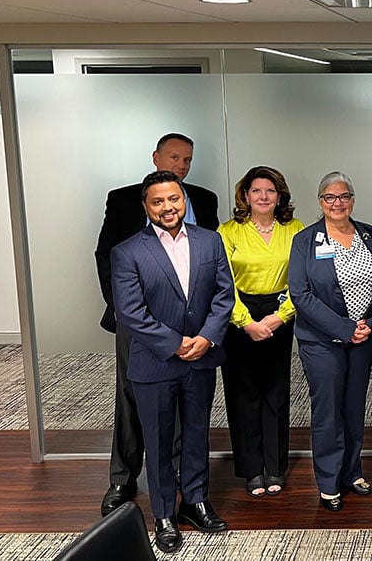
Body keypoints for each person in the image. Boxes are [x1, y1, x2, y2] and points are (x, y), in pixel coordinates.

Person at [94, 132, 219, 517]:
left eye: (187, 160)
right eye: (174, 157)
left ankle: (187, 484)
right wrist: (120, 308)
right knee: (133, 402)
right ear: (155, 157)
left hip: (196, 329)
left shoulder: (206, 199)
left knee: (189, 408)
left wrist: (204, 333)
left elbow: (212, 269)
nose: (180, 166)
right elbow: (106, 254)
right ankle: (123, 477)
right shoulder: (124, 198)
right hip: (141, 325)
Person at [111, 170, 234, 553]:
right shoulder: (127, 251)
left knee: (197, 434)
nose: (168, 207)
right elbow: (130, 313)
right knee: (160, 442)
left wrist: (206, 337)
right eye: (158, 201)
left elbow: (223, 295)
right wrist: (176, 343)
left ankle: (195, 502)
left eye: (174, 199)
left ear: (184, 200)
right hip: (155, 362)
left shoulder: (210, 241)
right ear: (147, 206)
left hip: (201, 356)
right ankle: (164, 514)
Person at [288, 172, 372, 513]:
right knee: (328, 410)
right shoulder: (306, 240)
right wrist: (345, 328)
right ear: (320, 202)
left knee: (353, 406)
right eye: (330, 197)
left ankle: (352, 472)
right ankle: (329, 482)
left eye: (344, 196)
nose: (337, 203)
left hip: (362, 338)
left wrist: (369, 325)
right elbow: (301, 295)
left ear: (352, 200)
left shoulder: (367, 233)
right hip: (321, 340)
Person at [218, 166, 305, 498]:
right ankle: (252, 469)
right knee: (244, 394)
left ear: (280, 195)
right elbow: (222, 282)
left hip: (280, 314)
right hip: (239, 316)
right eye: (257, 191)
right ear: (245, 196)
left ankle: (276, 467)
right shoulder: (228, 231)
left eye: (271, 191)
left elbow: (300, 279)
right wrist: (246, 322)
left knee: (276, 391)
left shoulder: (294, 229)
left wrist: (278, 317)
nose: (264, 196)